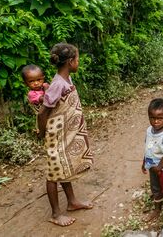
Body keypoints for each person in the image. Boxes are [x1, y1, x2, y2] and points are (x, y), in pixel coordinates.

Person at [37, 43, 93, 227]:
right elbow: (42, 112)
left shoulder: (66, 81)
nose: (78, 63)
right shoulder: (57, 84)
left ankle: (72, 202)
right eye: (77, 60)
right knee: (53, 174)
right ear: (70, 62)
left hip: (64, 135)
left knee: (64, 169)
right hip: (55, 136)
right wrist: (42, 133)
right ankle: (55, 214)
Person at [141, 98, 163, 221]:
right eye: (152, 118)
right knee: (155, 189)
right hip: (152, 167)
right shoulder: (149, 131)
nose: (155, 121)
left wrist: (159, 168)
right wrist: (144, 162)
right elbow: (147, 147)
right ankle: (157, 209)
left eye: (160, 118)